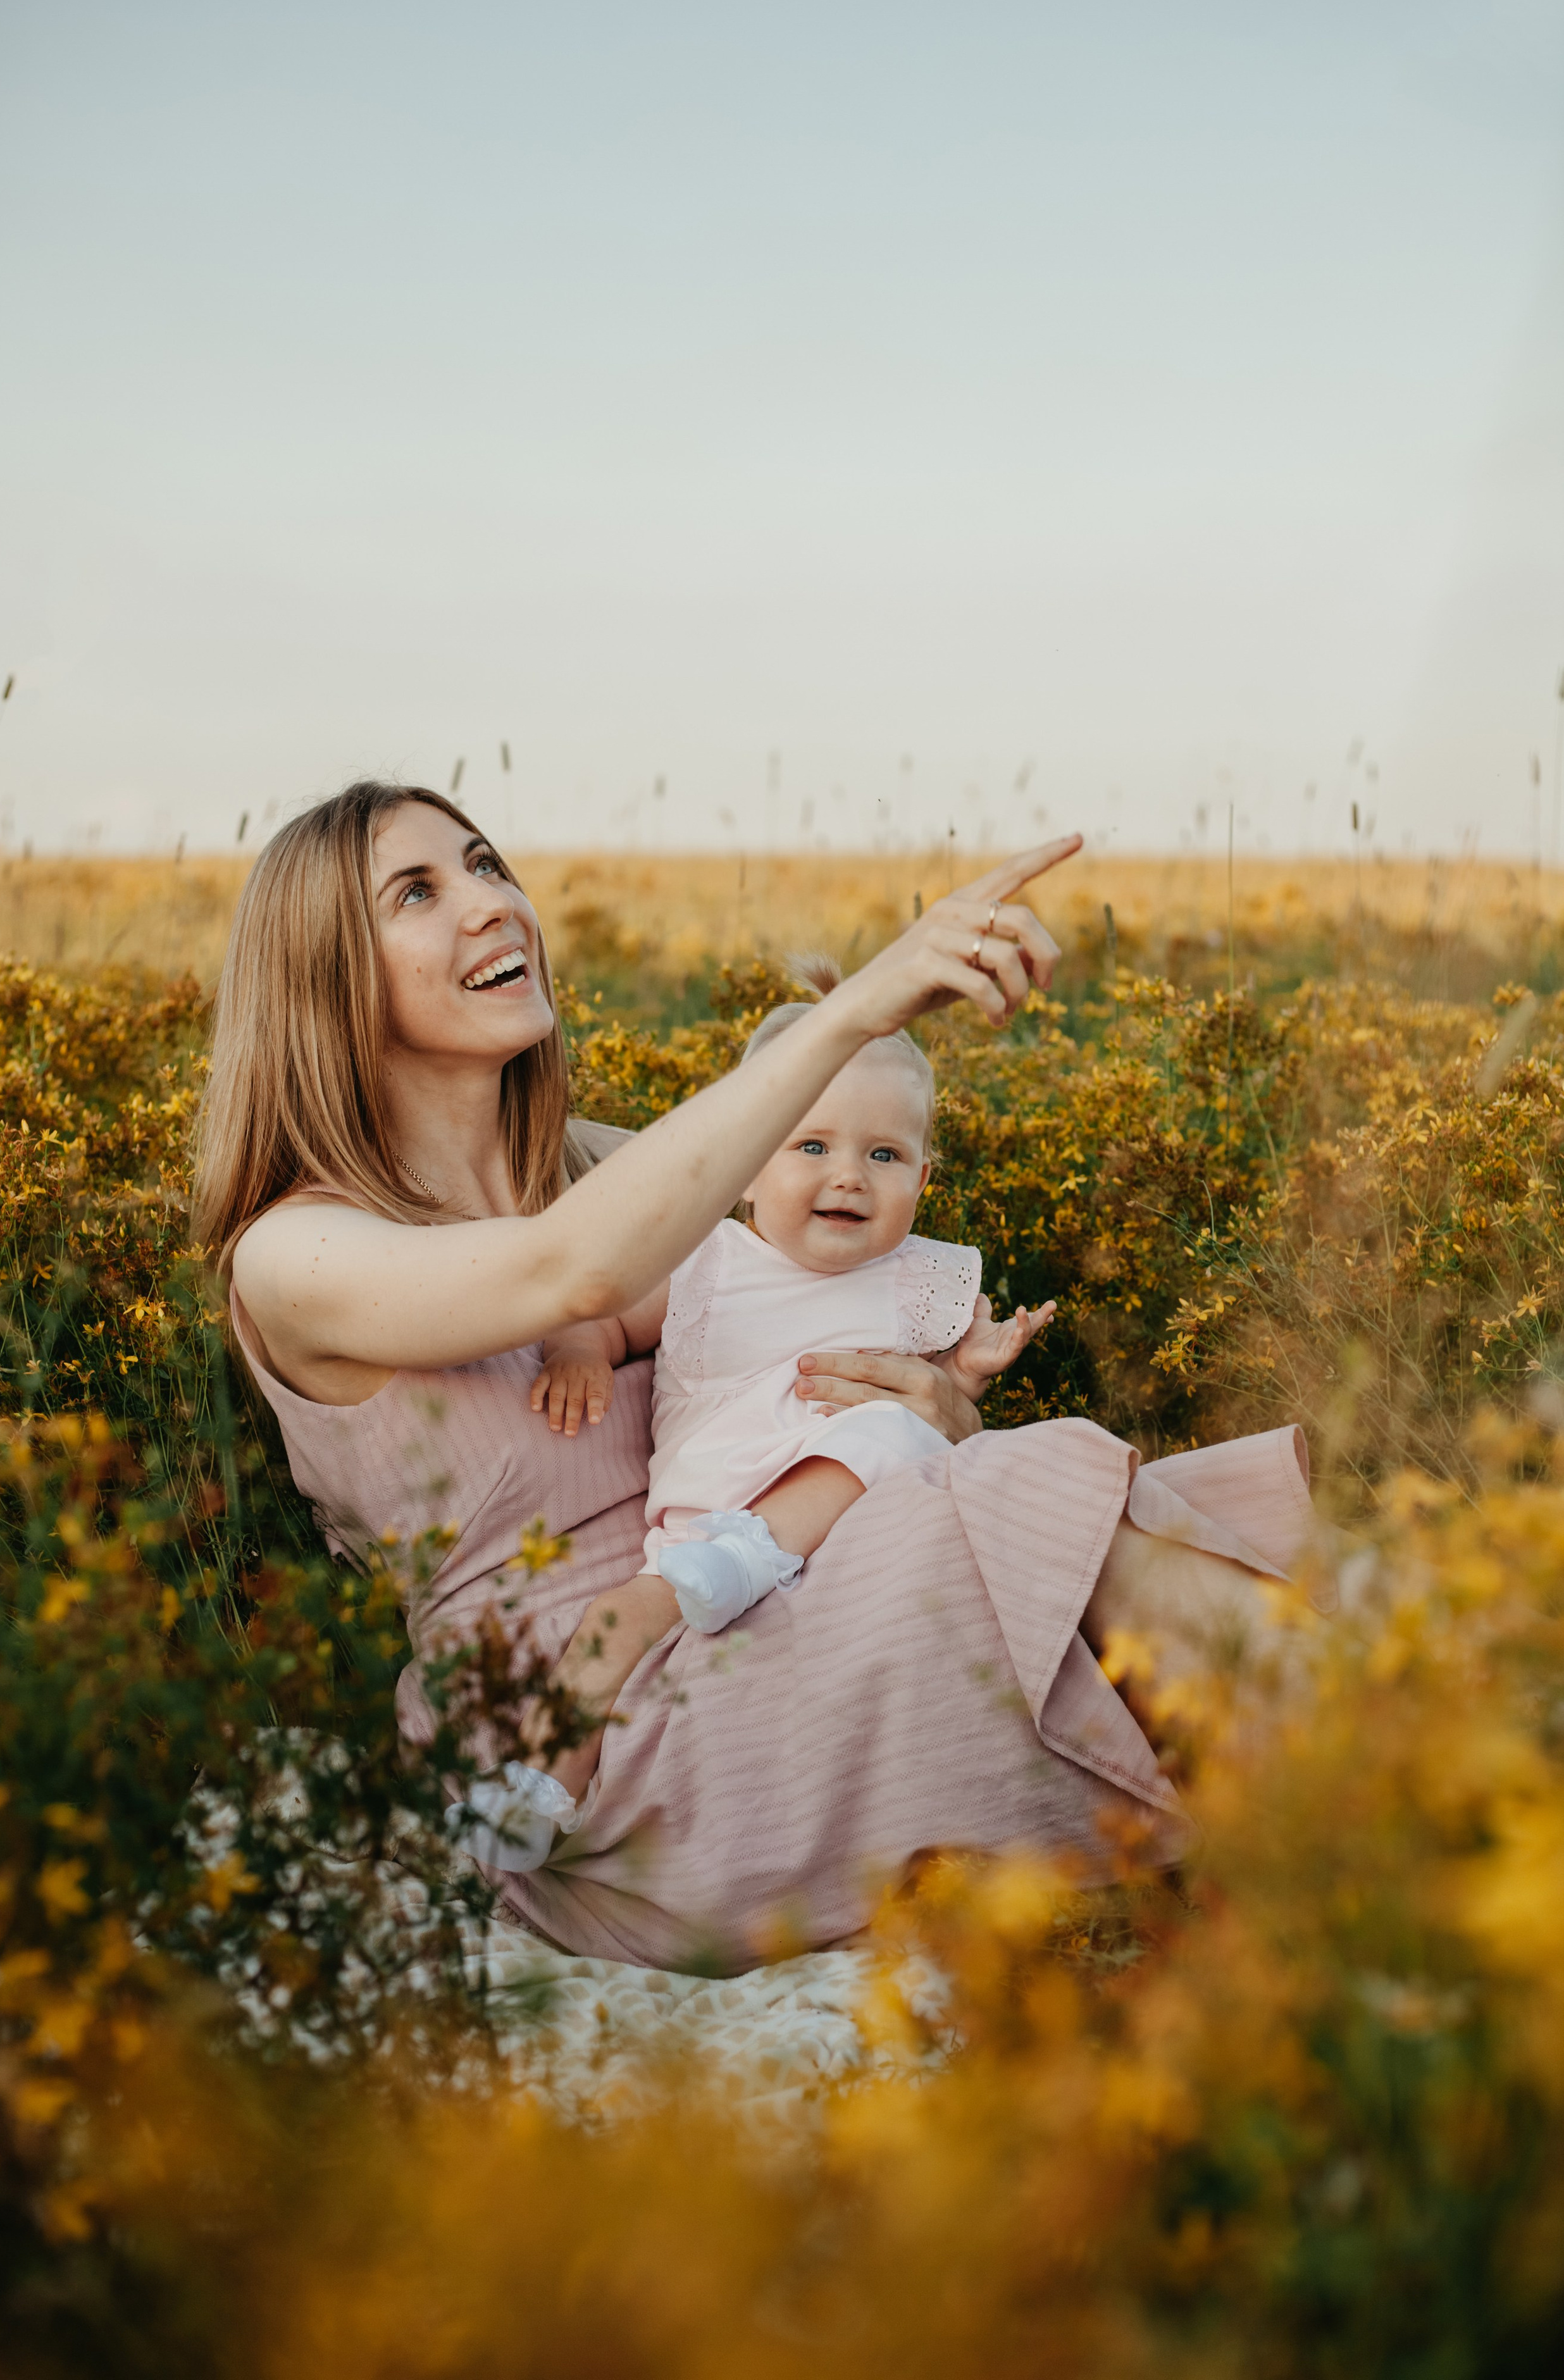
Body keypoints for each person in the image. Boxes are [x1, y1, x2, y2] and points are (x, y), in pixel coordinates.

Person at [196, 781, 1321, 1971]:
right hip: (579, 1753)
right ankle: (1414, 1812)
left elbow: (817, 1282)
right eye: (418, 892)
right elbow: (566, 1272)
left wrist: (935, 1405)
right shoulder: (296, 1253)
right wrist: (852, 1015)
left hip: (764, 1604)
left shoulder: (612, 1169)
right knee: (1032, 1504)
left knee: (1056, 1498)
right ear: (325, 976)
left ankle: (1399, 1806)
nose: (490, 905)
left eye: (485, 865)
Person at [529, 960, 1056, 1640]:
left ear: (922, 1179)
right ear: (744, 1166)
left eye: (885, 1157)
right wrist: (577, 1351)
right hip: (700, 1544)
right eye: (812, 1145)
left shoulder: (909, 1276)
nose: (849, 1177)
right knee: (608, 1633)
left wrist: (964, 1374)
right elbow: (605, 1312)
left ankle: (759, 1559)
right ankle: (533, 1755)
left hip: (851, 1542)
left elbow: (929, 1409)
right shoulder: (706, 1261)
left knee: (893, 1431)